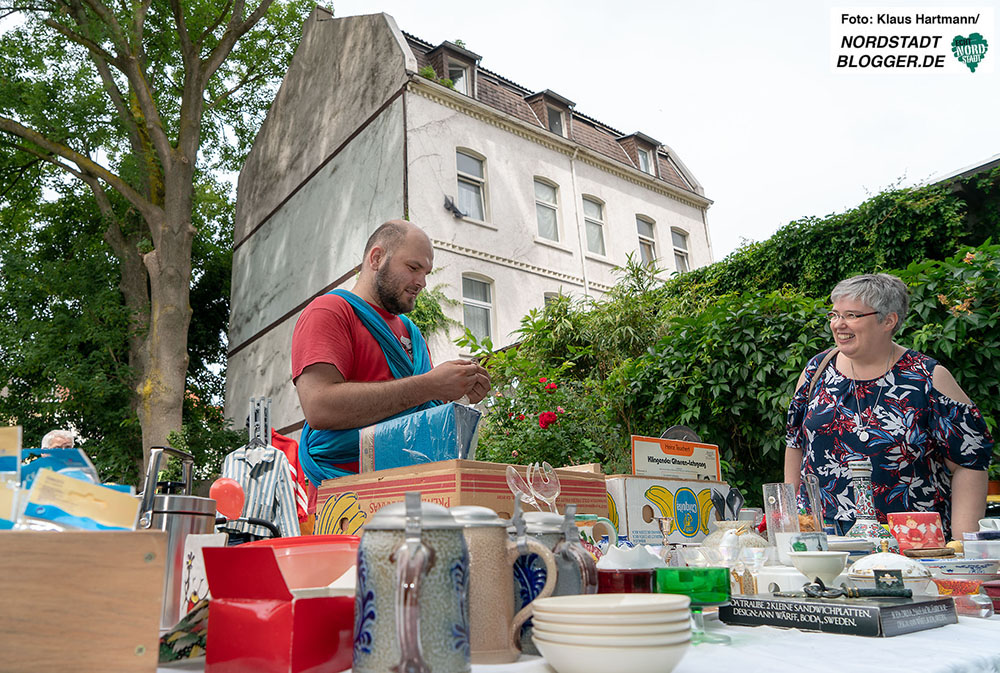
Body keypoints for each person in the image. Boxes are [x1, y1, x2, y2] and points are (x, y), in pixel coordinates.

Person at [785, 273, 993, 539]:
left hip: (910, 540)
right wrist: (790, 520)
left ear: (888, 320)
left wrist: (963, 545)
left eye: (851, 315)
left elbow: (970, 461)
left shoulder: (926, 377)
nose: (838, 324)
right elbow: (795, 444)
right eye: (834, 314)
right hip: (822, 539)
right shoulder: (817, 370)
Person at [292, 219, 491, 484]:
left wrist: (457, 394)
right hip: (343, 498)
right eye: (413, 267)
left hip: (410, 492)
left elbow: (413, 415)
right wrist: (430, 386)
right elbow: (319, 407)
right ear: (376, 258)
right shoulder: (330, 312)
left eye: (426, 273)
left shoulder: (413, 335)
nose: (421, 282)